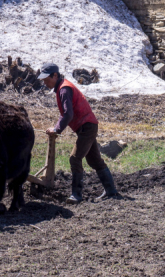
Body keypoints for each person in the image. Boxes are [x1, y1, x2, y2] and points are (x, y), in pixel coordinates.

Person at [39, 63, 119, 203]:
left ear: (55, 75)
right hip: (88, 125)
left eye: (46, 79)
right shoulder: (63, 87)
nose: (44, 82)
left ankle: (76, 195)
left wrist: (57, 129)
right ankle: (111, 191)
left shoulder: (64, 89)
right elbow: (66, 114)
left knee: (75, 158)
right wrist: (57, 127)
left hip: (86, 126)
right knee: (94, 160)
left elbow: (67, 114)